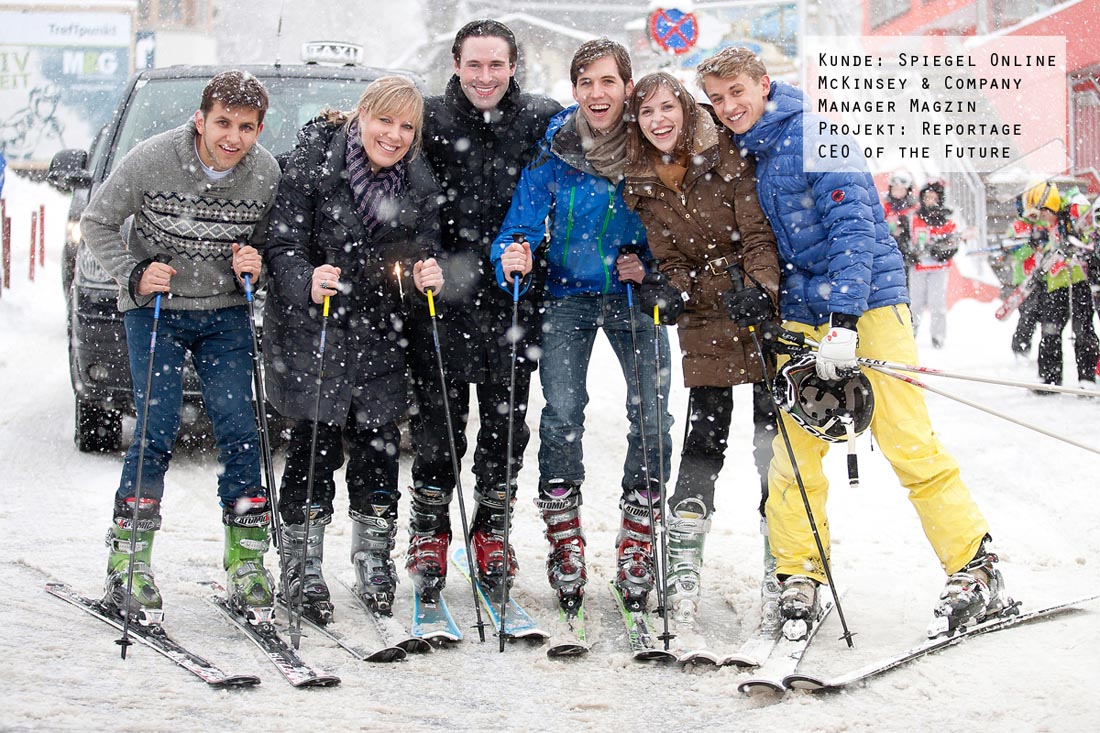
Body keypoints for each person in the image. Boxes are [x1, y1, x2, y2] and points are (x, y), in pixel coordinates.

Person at [698, 47, 1009, 634]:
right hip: (800, 315)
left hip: (870, 304)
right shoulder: (747, 152)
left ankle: (975, 564)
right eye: (718, 99)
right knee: (793, 456)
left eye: (737, 91)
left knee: (907, 441)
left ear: (764, 85)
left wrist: (842, 318)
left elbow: (856, 224)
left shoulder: (820, 131)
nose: (729, 106)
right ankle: (800, 575)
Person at [81, 70, 281, 622]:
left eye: (246, 127)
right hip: (159, 310)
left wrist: (255, 264)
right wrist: (133, 272)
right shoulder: (152, 158)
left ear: (260, 128)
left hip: (224, 313)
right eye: (223, 123)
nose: (232, 138)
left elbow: (272, 243)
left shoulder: (265, 174)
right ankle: (129, 559)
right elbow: (98, 220)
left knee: (242, 428)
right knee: (155, 426)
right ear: (201, 119)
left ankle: (246, 558)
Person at [491, 39, 673, 612]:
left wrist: (650, 264)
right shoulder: (555, 151)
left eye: (608, 83)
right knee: (564, 412)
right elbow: (516, 226)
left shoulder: (652, 148)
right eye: (586, 83)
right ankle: (564, 541)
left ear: (628, 88)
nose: (597, 94)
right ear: (575, 90)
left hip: (631, 295)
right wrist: (513, 253)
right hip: (567, 296)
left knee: (651, 408)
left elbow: (679, 227)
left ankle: (638, 539)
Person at [262, 76, 443, 620]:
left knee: (378, 446)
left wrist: (424, 274)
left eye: (405, 126)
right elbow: (282, 243)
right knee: (313, 446)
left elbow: (421, 249)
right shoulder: (314, 165)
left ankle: (373, 556)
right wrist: (303, 277)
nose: (393, 135)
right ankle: (302, 563)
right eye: (384, 121)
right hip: (315, 327)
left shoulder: (419, 182)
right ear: (360, 115)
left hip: (379, 333)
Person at [406, 19, 562, 599]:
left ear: (514, 66)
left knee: (506, 421)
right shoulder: (427, 119)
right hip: (440, 293)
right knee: (438, 423)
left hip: (516, 292)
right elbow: (378, 139)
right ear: (455, 64)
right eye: (475, 64)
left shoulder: (542, 118)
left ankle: (491, 529)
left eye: (497, 64)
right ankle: (429, 531)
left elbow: (605, 134)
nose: (485, 76)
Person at [620, 71, 781, 625]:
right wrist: (668, 288)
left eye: (668, 108)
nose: (659, 120)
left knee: (771, 447)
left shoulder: (727, 156)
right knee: (703, 440)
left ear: (687, 111)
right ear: (637, 124)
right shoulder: (641, 183)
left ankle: (782, 568)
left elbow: (757, 233)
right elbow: (671, 258)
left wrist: (761, 289)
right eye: (647, 113)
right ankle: (684, 569)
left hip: (755, 310)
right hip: (705, 318)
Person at [1015, 181, 1099, 391]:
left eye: (1042, 214)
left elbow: (1092, 237)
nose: (1043, 220)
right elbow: (1048, 246)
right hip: (1056, 280)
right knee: (1050, 329)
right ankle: (1049, 377)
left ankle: (1086, 378)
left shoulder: (1077, 209)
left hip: (1080, 279)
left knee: (1082, 329)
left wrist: (1080, 243)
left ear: (1049, 203)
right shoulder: (1052, 222)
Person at [908, 178, 959, 349]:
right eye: (926, 197)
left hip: (938, 269)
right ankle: (911, 333)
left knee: (937, 304)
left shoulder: (947, 221)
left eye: (933, 197)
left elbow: (953, 244)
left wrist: (942, 253)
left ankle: (938, 336)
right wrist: (909, 254)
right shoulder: (913, 218)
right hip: (918, 267)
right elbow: (904, 239)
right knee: (915, 303)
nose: (929, 201)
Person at [882, 170, 917, 286]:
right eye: (895, 189)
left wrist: (905, 223)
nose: (897, 192)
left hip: (907, 249)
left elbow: (916, 227)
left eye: (901, 189)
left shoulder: (912, 207)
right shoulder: (886, 206)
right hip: (889, 247)